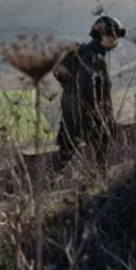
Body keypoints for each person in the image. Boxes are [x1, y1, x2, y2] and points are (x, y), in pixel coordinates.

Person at [53, 17, 124, 171]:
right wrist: (96, 114)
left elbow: (59, 73)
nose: (116, 40)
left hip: (70, 109)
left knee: (67, 148)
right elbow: (85, 86)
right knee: (101, 148)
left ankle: (51, 179)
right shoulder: (93, 56)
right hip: (86, 112)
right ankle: (101, 180)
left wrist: (70, 93)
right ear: (103, 36)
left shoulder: (81, 50)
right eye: (113, 36)